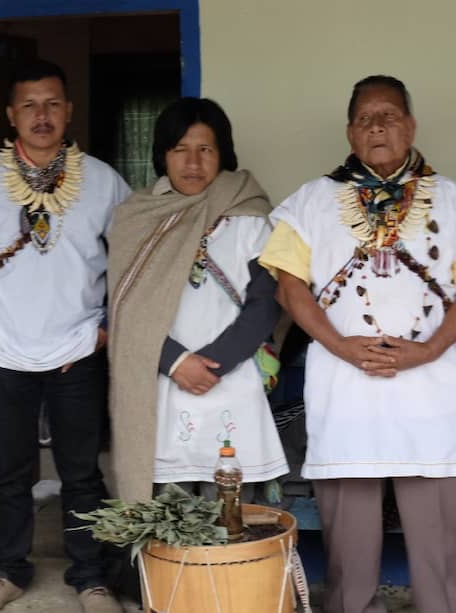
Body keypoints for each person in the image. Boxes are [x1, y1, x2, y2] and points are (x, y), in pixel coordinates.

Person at [259, 75, 456, 613]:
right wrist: (340, 345)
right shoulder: (312, 202)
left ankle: (443, 606)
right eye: (366, 118)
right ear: (349, 132)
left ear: (411, 126)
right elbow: (289, 287)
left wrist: (430, 349)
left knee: (439, 521)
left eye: (390, 115)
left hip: (433, 384)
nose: (378, 126)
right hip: (346, 383)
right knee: (350, 528)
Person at [0, 60, 130, 613]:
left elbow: (128, 265)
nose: (41, 116)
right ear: (11, 115)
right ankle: (5, 570)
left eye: (52, 104)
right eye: (29, 105)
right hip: (6, 351)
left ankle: (91, 576)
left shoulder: (104, 182)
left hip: (78, 349)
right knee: (9, 473)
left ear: (68, 111)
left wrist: (104, 333)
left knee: (81, 472)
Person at [107, 97, 288, 504]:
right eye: (179, 150)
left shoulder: (250, 218)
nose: (192, 163)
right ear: (162, 156)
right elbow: (123, 309)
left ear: (223, 154)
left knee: (233, 505)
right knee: (167, 505)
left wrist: (213, 364)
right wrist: (176, 362)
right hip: (160, 382)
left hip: (233, 379)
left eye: (205, 150)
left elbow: (266, 302)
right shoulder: (137, 216)